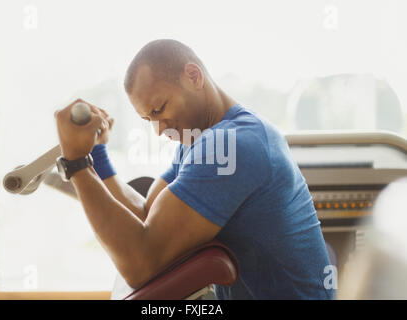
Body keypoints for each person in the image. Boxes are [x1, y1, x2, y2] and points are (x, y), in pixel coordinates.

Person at [54, 39, 335, 299]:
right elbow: (146, 213)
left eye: (159, 109)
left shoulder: (232, 145)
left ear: (193, 76)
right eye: (148, 119)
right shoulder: (197, 139)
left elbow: (141, 263)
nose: (158, 128)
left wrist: (78, 164)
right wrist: (97, 155)